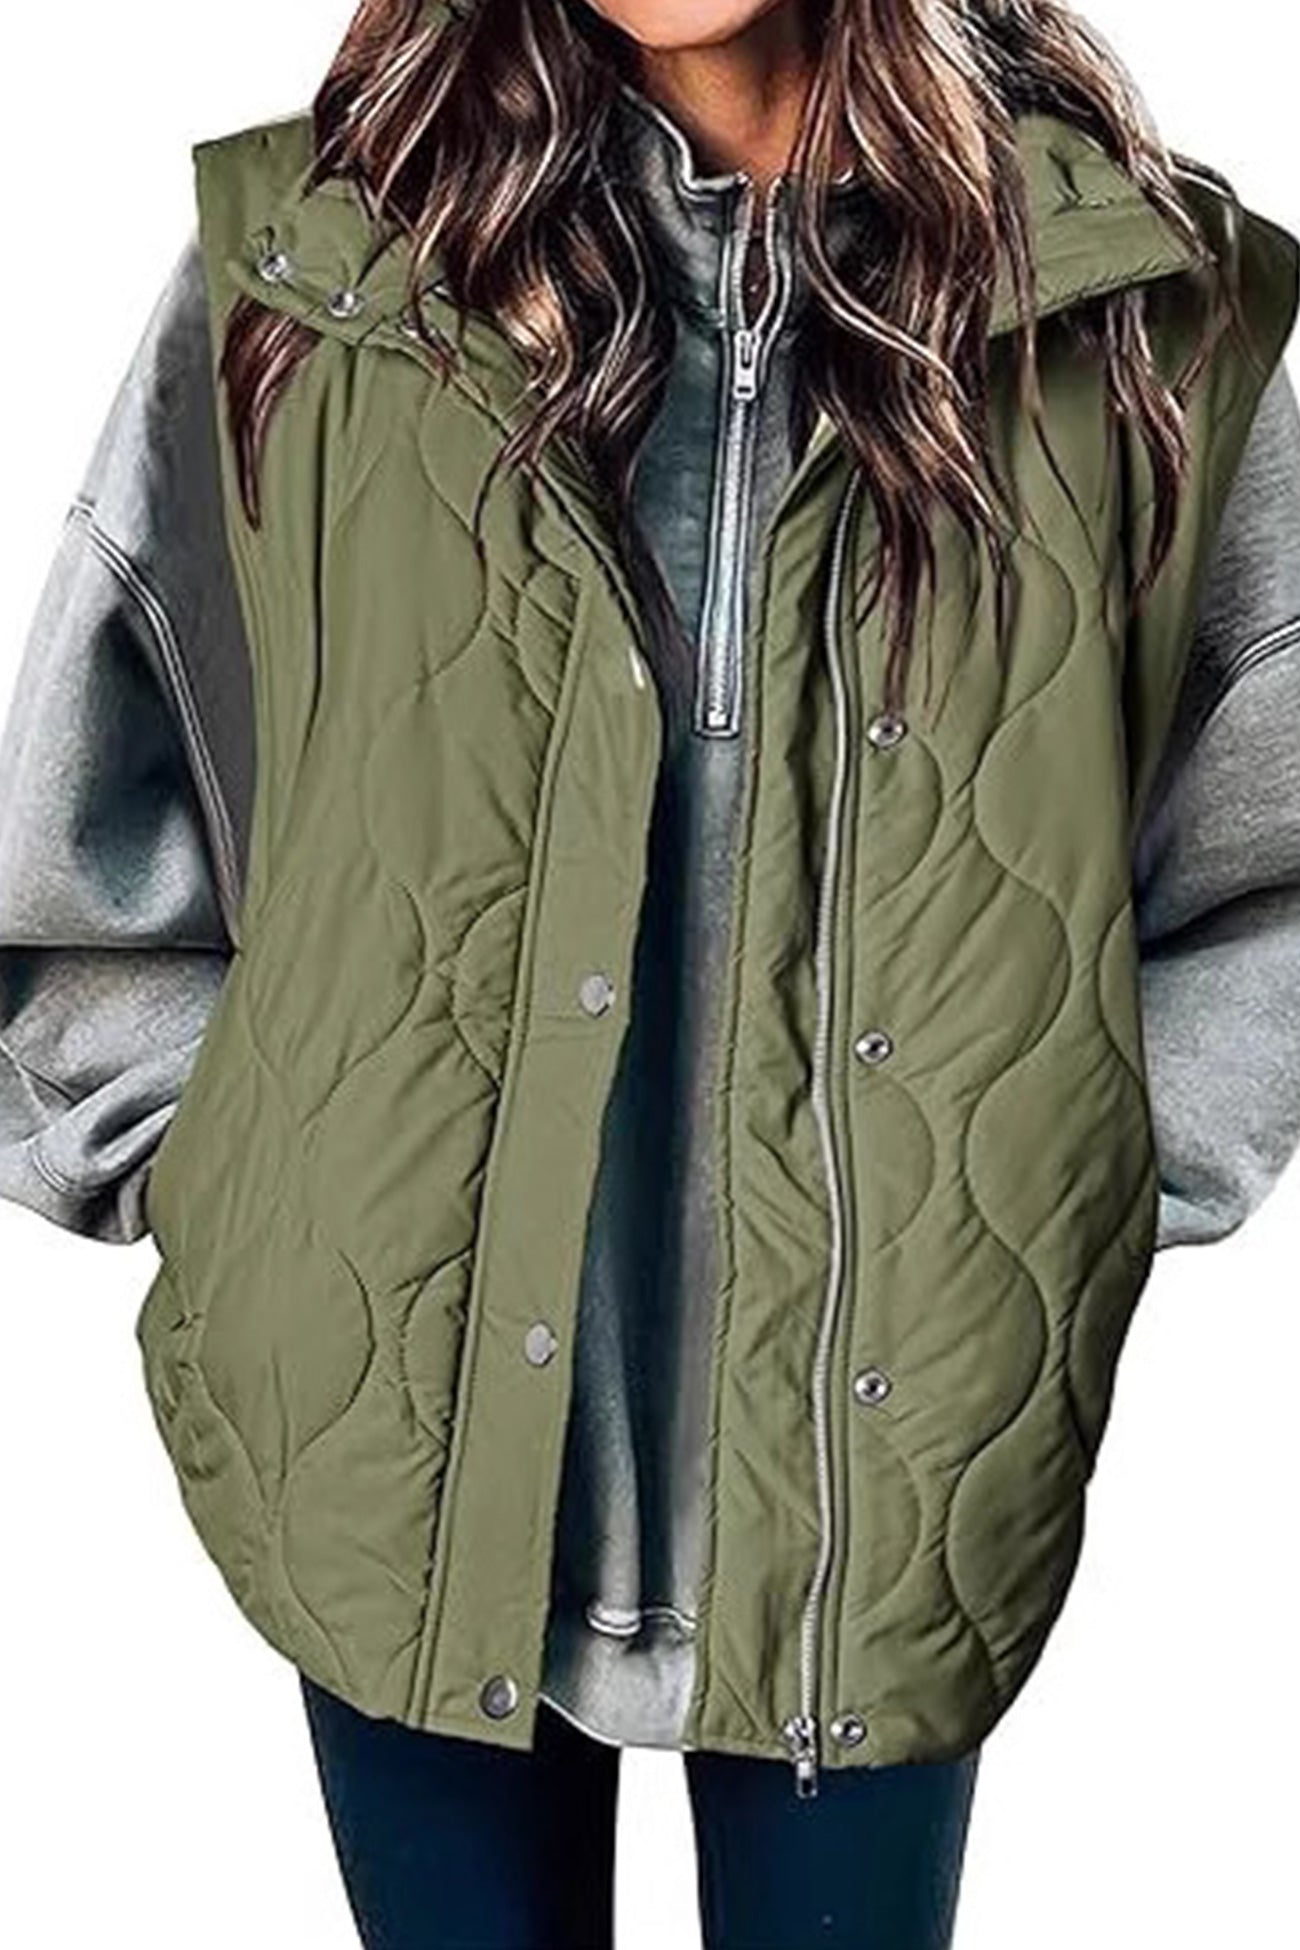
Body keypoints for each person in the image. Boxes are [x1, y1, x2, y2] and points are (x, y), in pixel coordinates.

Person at [3, 1, 1300, 1944]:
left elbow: (1273, 865)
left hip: (890, 1477)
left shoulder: (1140, 309)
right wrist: (259, 1195)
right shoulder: (310, 276)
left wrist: (1072, 1185)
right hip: (386, 1449)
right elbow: (89, 838)